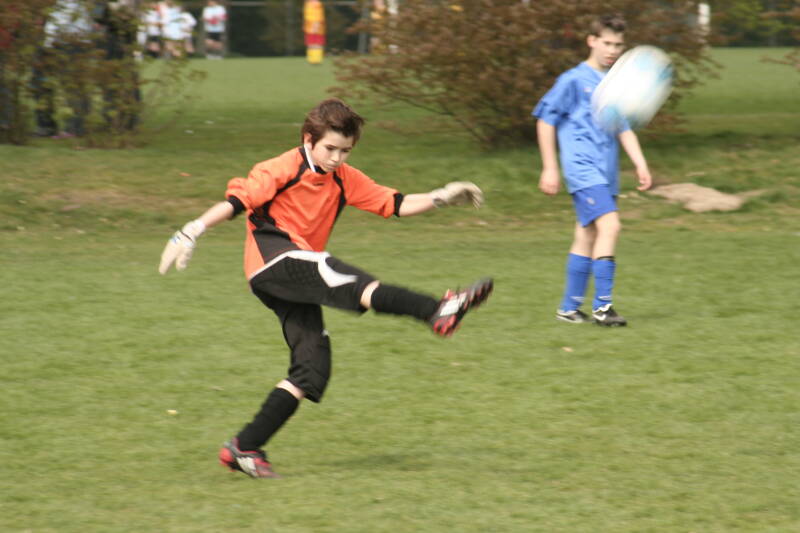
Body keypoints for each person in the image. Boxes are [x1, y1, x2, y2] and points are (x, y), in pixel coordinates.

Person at [158, 98, 493, 478]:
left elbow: (394, 203)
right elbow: (236, 202)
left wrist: (440, 196)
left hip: (295, 273)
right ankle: (436, 310)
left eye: (345, 150)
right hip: (275, 262)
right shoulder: (281, 168)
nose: (336, 158)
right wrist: (192, 230)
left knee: (311, 368)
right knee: (345, 279)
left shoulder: (344, 177)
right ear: (308, 139)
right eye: (330, 148)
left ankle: (245, 447)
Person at [532, 14, 652, 327]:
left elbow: (623, 128)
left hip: (606, 172)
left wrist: (640, 162)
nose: (612, 50)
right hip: (583, 169)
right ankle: (603, 307)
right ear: (591, 41)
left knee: (587, 235)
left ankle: (568, 308)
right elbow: (545, 120)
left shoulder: (616, 84)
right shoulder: (572, 80)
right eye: (606, 43)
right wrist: (550, 167)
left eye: (618, 45)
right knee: (611, 226)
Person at [303, 0, 325, 65]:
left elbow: (318, 16)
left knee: (317, 44)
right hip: (309, 28)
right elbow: (307, 16)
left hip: (316, 28)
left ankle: (317, 59)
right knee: (310, 44)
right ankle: (311, 59)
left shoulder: (316, 4)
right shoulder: (307, 4)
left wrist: (316, 25)